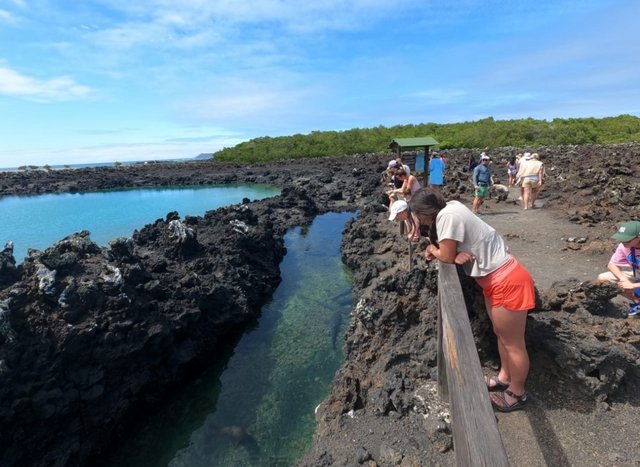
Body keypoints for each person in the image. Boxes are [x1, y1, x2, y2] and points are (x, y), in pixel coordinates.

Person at [408, 188, 535, 412]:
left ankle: (517, 392)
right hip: (497, 280)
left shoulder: (446, 216)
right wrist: (452, 253)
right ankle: (504, 377)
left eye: (417, 215)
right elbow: (452, 251)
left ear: (424, 211)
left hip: (506, 282)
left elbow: (445, 256)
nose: (417, 219)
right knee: (502, 336)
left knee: (514, 344)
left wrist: (432, 248)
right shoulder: (452, 207)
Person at [596, 220, 640, 316]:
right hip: (636, 273)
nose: (623, 242)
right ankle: (637, 301)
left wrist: (633, 286)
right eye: (621, 239)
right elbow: (611, 265)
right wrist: (624, 280)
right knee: (603, 279)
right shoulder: (624, 246)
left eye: (627, 239)